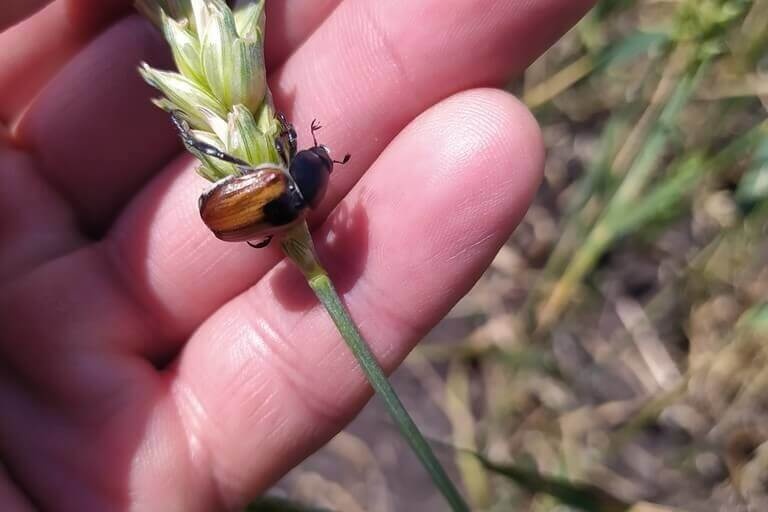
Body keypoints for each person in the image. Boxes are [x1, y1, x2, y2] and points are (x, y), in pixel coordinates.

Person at [0, 0, 594, 510]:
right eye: (313, 151)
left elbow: (269, 176)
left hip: (233, 204)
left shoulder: (286, 189)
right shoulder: (291, 196)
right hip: (231, 208)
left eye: (310, 151)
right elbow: (269, 185)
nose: (313, 150)